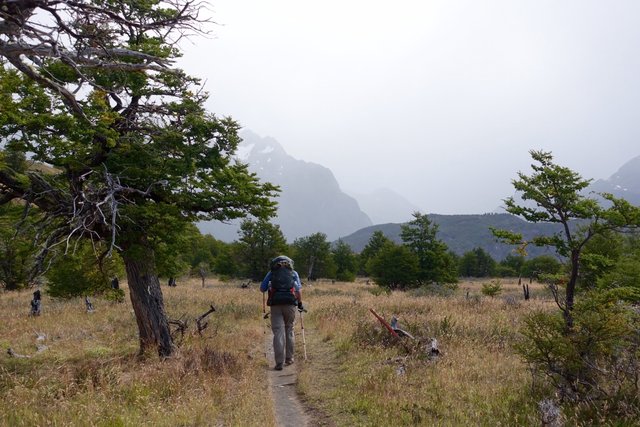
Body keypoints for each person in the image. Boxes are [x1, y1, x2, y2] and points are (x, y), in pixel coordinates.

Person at [260, 255, 304, 370]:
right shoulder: (294, 273)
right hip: (290, 304)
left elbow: (262, 288)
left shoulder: (271, 273)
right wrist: (299, 303)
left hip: (275, 305)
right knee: (289, 330)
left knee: (278, 333)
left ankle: (279, 363)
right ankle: (289, 359)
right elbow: (298, 290)